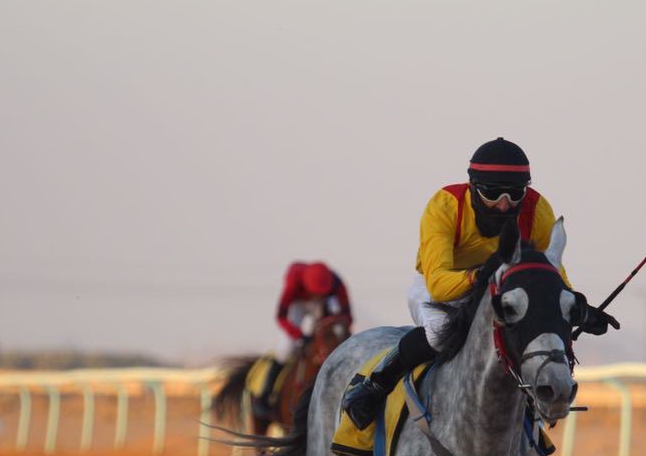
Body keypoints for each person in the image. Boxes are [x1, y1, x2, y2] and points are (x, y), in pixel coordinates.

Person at [341, 137, 617, 429]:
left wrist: (577, 309)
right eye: (492, 193)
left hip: (500, 288)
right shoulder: (445, 206)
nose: (503, 204)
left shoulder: (537, 209)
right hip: (441, 287)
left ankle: (529, 417)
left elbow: (552, 273)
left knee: (523, 337)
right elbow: (438, 285)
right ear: (472, 187)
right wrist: (480, 274)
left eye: (515, 194)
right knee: (439, 333)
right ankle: (375, 385)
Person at [254, 261, 352, 417]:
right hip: (298, 304)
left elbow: (347, 316)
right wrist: (299, 335)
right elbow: (281, 317)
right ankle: (265, 396)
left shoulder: (336, 282)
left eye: (321, 293)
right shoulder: (293, 282)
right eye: (316, 293)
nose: (317, 296)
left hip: (322, 306)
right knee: (285, 349)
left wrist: (334, 327)